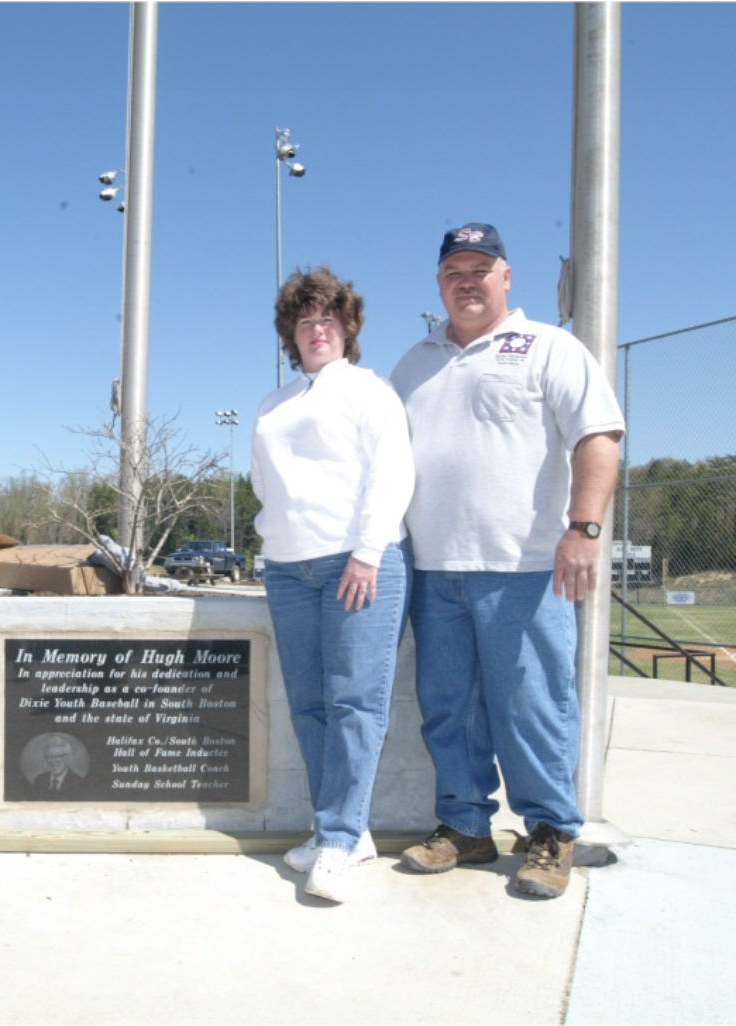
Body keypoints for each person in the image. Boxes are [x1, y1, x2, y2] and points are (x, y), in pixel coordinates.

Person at [390, 223, 624, 899]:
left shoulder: (549, 348)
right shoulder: (413, 363)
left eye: (480, 268)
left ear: (506, 276)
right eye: (454, 270)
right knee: (447, 708)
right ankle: (464, 828)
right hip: (433, 570)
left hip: (525, 571)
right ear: (439, 282)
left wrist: (583, 528)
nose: (468, 280)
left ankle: (550, 833)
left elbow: (598, 437)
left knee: (533, 706)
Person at [251, 266, 415, 904]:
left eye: (328, 319)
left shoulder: (370, 392)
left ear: (347, 329)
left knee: (354, 702)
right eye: (304, 321)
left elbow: (392, 473)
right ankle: (335, 830)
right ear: (290, 335)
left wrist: (367, 552)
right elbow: (265, 482)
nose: (316, 330)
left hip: (359, 561)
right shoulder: (273, 404)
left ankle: (342, 839)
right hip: (291, 568)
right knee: (310, 703)